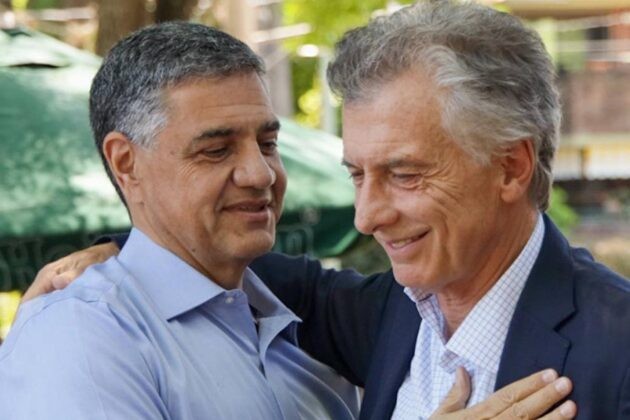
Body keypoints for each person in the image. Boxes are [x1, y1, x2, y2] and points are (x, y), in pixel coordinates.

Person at [14, 5, 583, 420]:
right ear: (126, 163)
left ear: (510, 168)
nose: (260, 173)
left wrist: (120, 245)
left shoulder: (295, 314)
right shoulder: (80, 337)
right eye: (216, 150)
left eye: (267, 142)